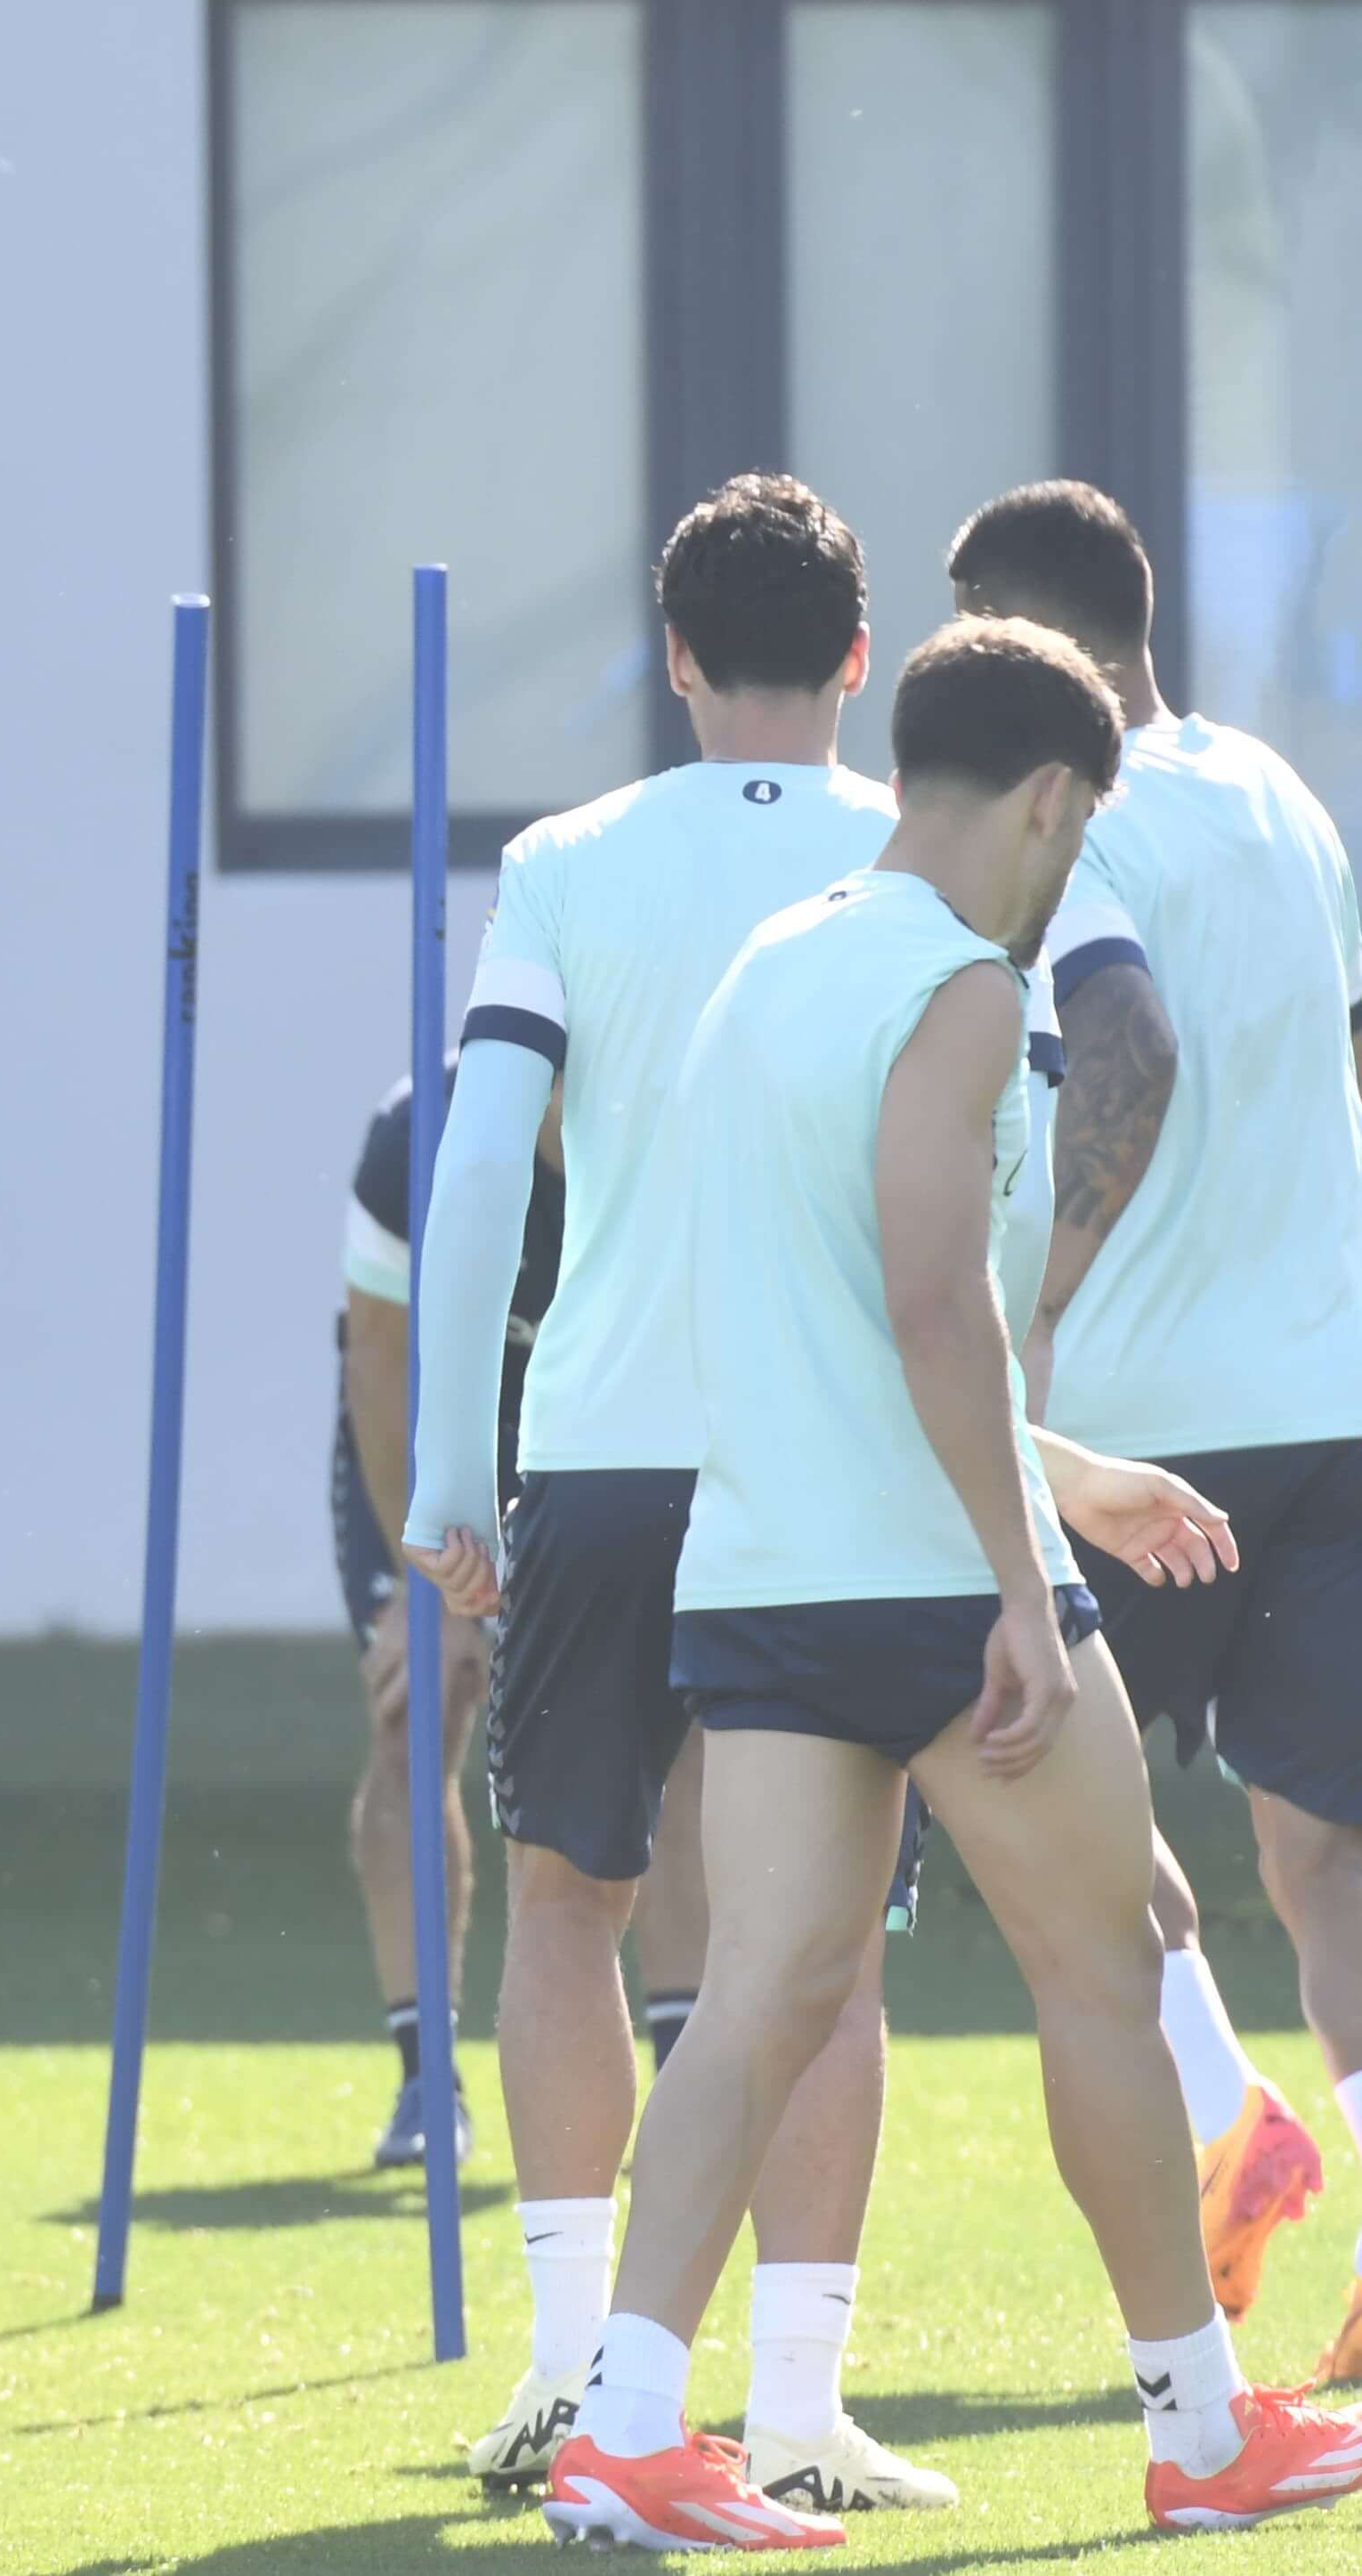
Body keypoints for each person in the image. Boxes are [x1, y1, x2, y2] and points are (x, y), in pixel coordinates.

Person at [536, 614, 1362, 2548]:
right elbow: (929, 1301)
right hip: (925, 1580)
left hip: (758, 1567)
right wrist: (1022, 1575)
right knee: (1110, 1965)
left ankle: (630, 2425)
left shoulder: (773, 959)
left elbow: (844, 1306)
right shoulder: (964, 993)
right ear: (1059, 797)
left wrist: (1070, 1479)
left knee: (755, 1992)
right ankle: (1194, 2426)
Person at [403, 475, 949, 2515]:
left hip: (604, 1446)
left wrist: (452, 1463)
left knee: (565, 1895)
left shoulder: (564, 855)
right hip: (822, 1460)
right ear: (857, 656)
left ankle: (571, 2373)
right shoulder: (919, 849)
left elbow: (478, 1168)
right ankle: (794, 2409)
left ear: (669, 654)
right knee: (821, 1949)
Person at [948, 482, 1362, 2363]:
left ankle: (1224, 2114)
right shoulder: (1276, 788)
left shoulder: (1074, 815)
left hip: (1138, 1427)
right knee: (1328, 1850)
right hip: (1330, 1395)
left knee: (1036, 1798)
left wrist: (1034, 1300)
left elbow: (1122, 1041)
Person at [336, 1068, 536, 2166]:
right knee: (419, 1708)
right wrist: (427, 1585)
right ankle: (425, 2077)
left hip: (583, 1412)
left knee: (684, 1714)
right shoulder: (412, 1135)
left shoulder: (660, 1096)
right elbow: (376, 1357)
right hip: (413, 1430)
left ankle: (682, 2049)